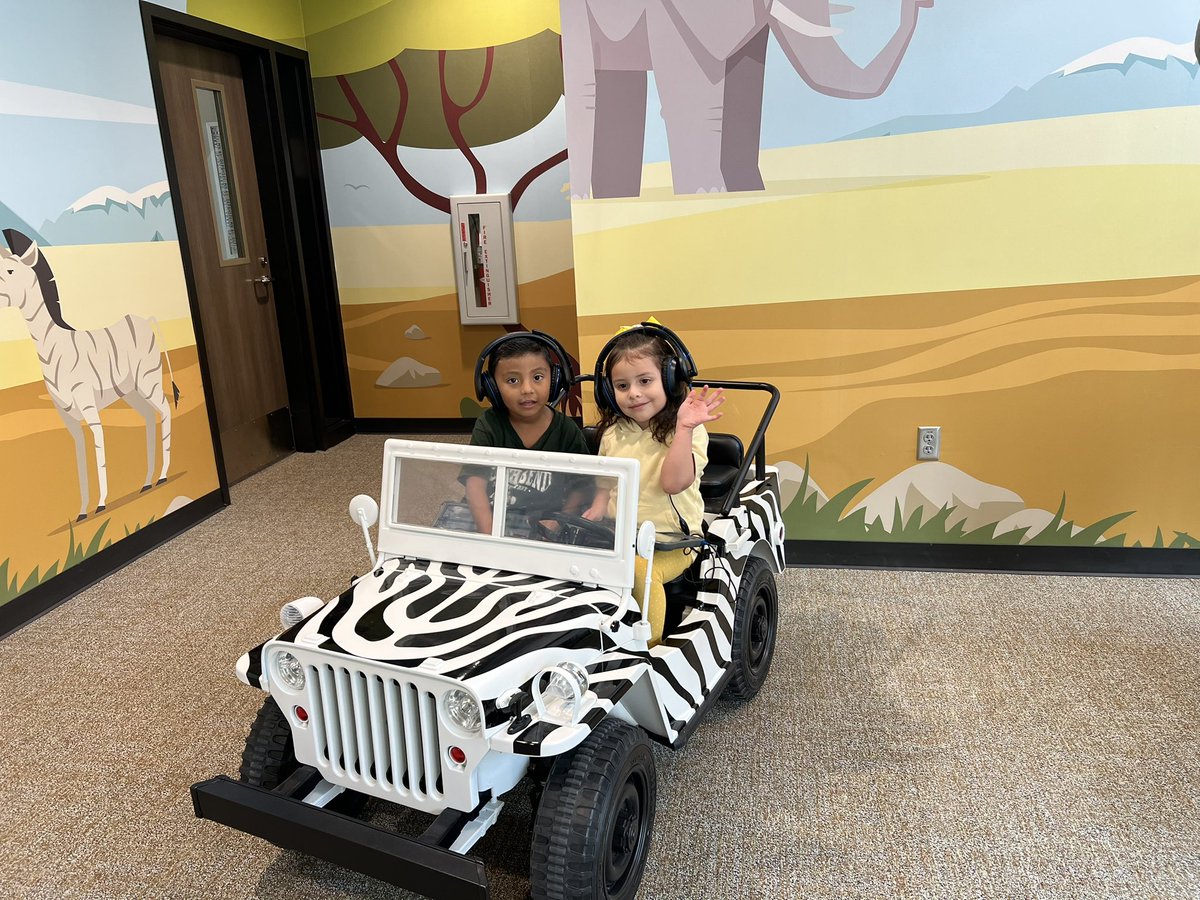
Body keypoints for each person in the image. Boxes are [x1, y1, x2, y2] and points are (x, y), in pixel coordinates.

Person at [583, 322, 724, 645]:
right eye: (621, 385)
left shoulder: (687, 432)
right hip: (619, 536)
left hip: (673, 542)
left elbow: (674, 483)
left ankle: (649, 649)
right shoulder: (613, 432)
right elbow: (606, 479)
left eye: (645, 381)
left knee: (640, 572)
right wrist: (599, 505)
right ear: (608, 391)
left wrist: (685, 428)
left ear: (671, 381)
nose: (633, 393)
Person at [462, 331, 592, 535]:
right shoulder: (488, 425)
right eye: (513, 381)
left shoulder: (567, 430)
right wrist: (490, 535)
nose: (527, 389)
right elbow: (475, 485)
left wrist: (558, 522)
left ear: (555, 379)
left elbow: (583, 487)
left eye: (538, 377)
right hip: (490, 519)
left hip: (543, 524)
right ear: (492, 387)